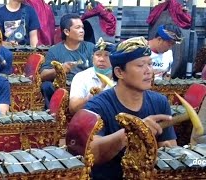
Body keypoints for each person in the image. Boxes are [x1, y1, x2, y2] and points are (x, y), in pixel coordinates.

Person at [84, 36, 177, 180]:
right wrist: (133, 131)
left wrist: (166, 148)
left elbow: (169, 146)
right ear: (119, 72)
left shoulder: (160, 102)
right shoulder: (98, 105)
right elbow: (91, 154)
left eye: (150, 64)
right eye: (140, 65)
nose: (148, 71)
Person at [40, 13, 94, 109]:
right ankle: (53, 115)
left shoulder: (91, 48)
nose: (82, 31)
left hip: (84, 87)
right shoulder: (55, 50)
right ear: (66, 32)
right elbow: (43, 75)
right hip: (63, 87)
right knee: (46, 86)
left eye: (82, 28)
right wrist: (59, 69)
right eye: (77, 28)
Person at [69, 38, 115, 114]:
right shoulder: (81, 77)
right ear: (92, 58)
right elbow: (73, 108)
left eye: (107, 55)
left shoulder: (122, 78)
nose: (101, 59)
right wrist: (90, 98)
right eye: (98, 55)